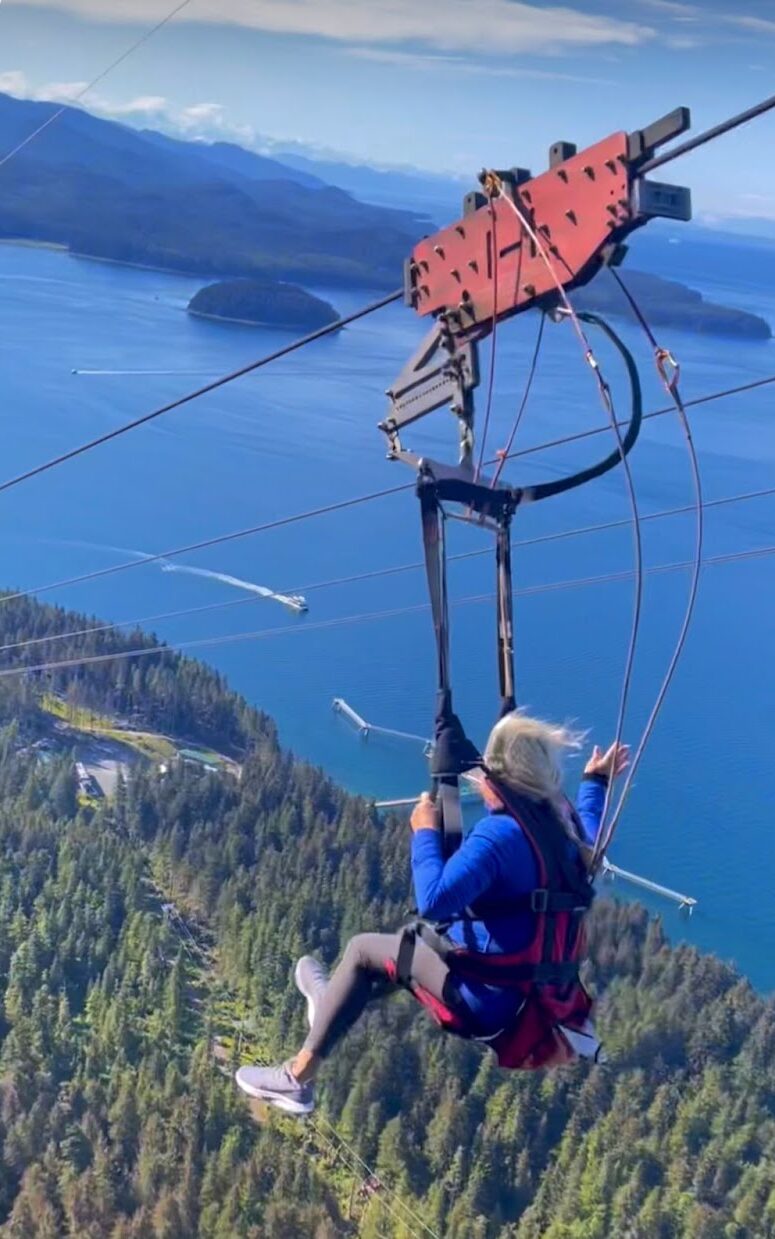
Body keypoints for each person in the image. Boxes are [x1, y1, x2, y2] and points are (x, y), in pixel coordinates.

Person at [235, 711, 629, 1114]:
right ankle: (328, 1002)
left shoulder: (502, 835)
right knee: (408, 946)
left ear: (502, 780)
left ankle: (296, 1079)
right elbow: (591, 832)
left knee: (361, 951)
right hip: (530, 999)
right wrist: (595, 783)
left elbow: (436, 900)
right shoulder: (562, 824)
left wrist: (423, 831)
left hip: (482, 1001)